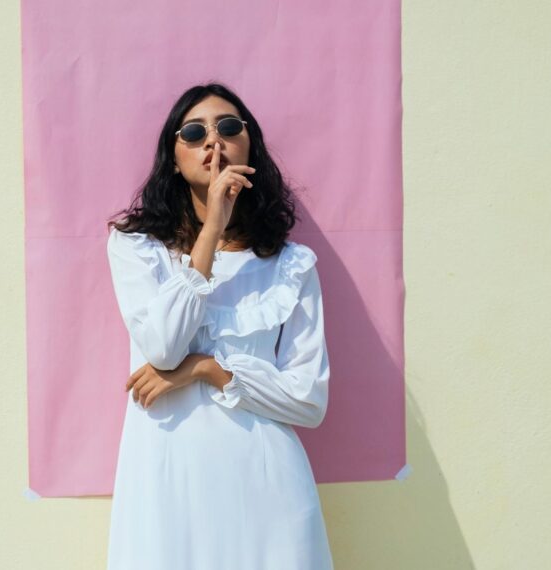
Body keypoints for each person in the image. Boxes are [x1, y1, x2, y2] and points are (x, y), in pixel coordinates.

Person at [104, 83, 333, 569]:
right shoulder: (138, 250)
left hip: (266, 486)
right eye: (194, 132)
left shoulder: (290, 266)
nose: (213, 141)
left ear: (249, 144)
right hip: (169, 483)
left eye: (228, 127)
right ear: (173, 157)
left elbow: (309, 400)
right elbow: (164, 348)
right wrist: (211, 230)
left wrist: (208, 369)